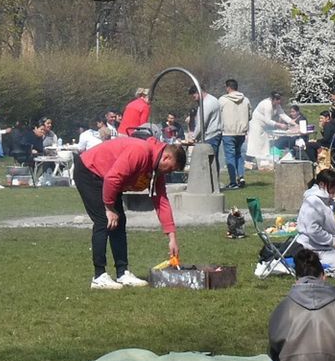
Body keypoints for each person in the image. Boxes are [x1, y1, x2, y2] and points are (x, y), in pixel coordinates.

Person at [74, 134, 185, 288]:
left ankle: (122, 273)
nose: (169, 173)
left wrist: (172, 237)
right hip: (90, 171)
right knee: (103, 221)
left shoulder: (156, 170)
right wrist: (109, 208)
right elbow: (113, 178)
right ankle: (99, 276)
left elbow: (161, 201)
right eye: (171, 168)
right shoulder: (140, 151)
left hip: (107, 179)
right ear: (166, 157)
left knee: (120, 221)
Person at [218, 79, 252, 190]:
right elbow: (250, 116)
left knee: (230, 156)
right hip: (241, 132)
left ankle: (233, 181)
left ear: (228, 87)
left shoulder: (223, 100)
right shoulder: (246, 100)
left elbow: (218, 115)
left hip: (228, 132)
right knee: (239, 155)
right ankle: (241, 177)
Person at [189, 82, 223, 186]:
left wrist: (193, 137)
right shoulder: (213, 100)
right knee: (213, 160)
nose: (194, 99)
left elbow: (202, 123)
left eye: (194, 96)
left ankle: (211, 184)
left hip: (211, 136)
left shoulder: (207, 104)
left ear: (198, 92)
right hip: (215, 134)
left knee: (209, 161)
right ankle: (212, 183)